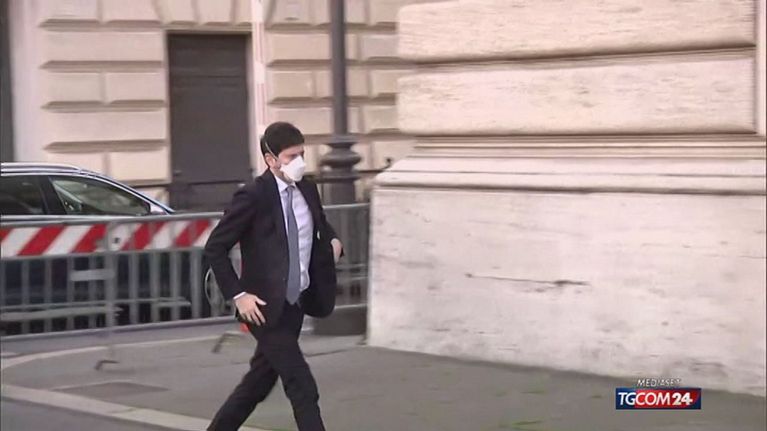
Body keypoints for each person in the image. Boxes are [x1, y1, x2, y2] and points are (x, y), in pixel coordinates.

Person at [205, 122, 343, 431]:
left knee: (257, 383)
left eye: (302, 155)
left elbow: (320, 224)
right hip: (263, 307)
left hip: (295, 303)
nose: (299, 162)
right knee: (301, 384)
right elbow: (215, 247)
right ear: (270, 159)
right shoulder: (253, 196)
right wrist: (238, 295)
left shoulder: (307, 189)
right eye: (291, 156)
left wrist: (334, 242)